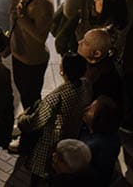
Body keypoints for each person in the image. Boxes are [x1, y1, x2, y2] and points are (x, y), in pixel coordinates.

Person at [16, 54, 89, 184]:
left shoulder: (56, 97)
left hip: (51, 143)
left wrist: (22, 119)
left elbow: (36, 122)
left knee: (39, 175)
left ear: (62, 71)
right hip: (72, 134)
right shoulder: (85, 85)